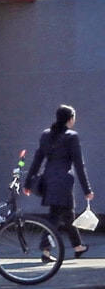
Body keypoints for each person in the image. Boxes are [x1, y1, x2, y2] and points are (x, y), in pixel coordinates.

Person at [24, 105, 92, 259]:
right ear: (70, 119)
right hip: (64, 182)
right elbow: (79, 165)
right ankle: (45, 250)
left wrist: (28, 183)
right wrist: (87, 189)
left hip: (49, 179)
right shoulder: (72, 136)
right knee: (55, 216)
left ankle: (78, 246)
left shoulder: (46, 135)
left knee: (68, 215)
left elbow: (37, 159)